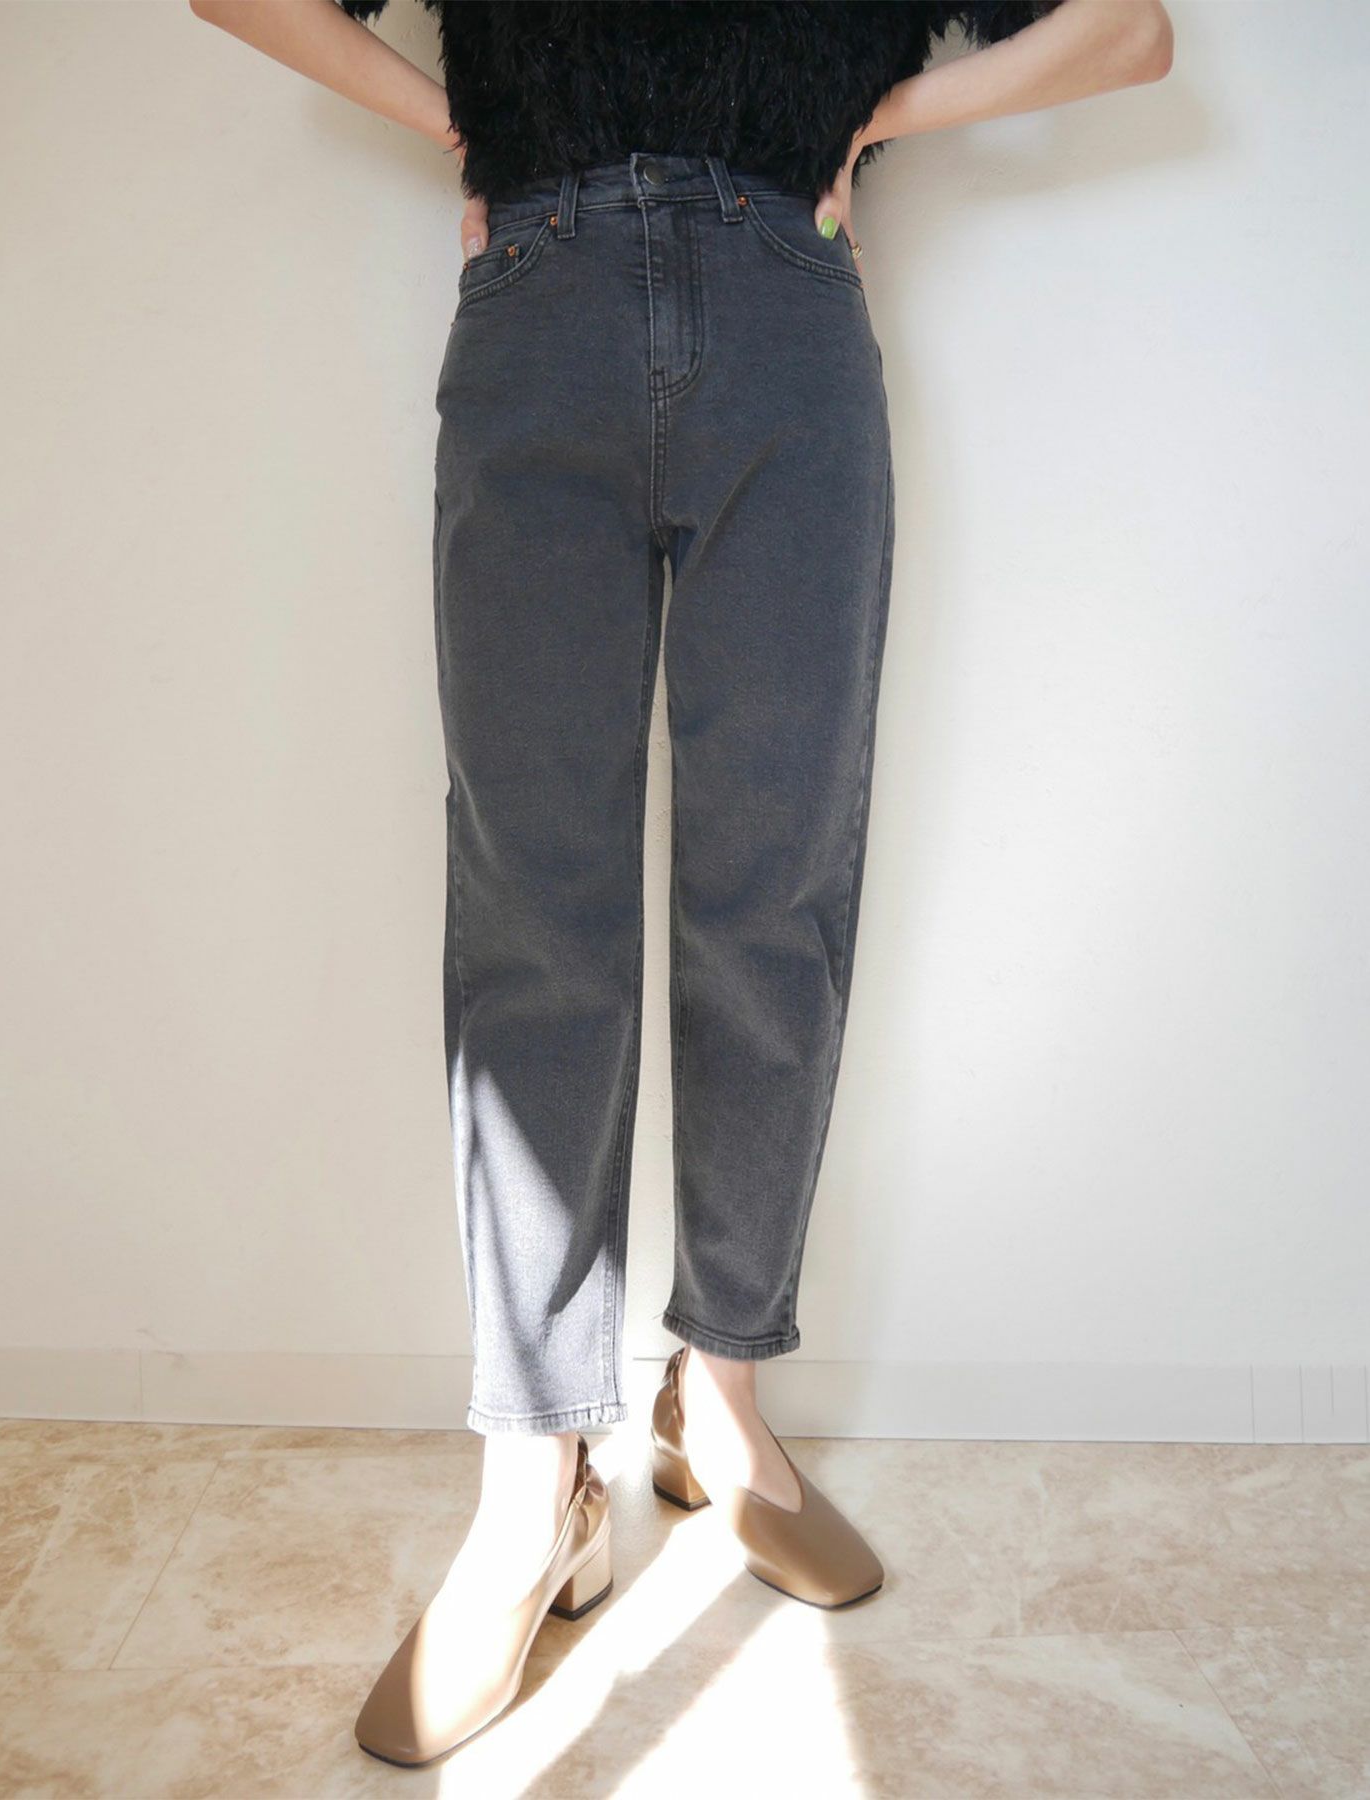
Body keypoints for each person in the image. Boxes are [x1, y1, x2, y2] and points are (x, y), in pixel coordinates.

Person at [189, 0, 1173, 1767]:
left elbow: (1130, 31)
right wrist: (461, 128)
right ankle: (534, 1482)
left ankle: (716, 1400)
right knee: (533, 907)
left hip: (787, 313)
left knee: (772, 891)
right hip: (541, 303)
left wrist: (876, 114)